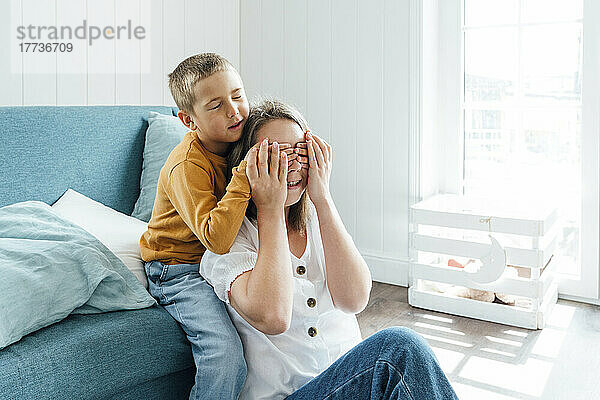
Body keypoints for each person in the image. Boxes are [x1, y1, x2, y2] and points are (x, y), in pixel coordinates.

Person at [200, 99, 459, 399]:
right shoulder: (227, 244)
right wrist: (269, 207)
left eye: (299, 151)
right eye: (276, 155)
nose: (294, 165)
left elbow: (355, 299)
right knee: (400, 349)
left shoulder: (316, 223)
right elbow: (273, 316)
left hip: (351, 386)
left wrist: (322, 198)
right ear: (248, 166)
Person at [139, 53, 261, 400]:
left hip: (215, 261)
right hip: (179, 269)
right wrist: (243, 177)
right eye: (216, 106)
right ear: (188, 120)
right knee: (226, 356)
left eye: (238, 95)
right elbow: (217, 239)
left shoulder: (237, 138)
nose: (234, 111)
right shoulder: (187, 165)